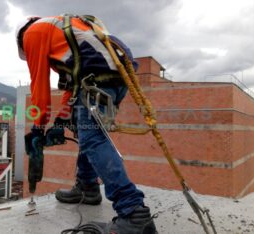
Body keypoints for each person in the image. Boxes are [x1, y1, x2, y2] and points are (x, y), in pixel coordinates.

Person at [16, 15, 157, 233]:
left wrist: (38, 127)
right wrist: (63, 118)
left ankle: (133, 212)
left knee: (93, 140)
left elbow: (39, 85)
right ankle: (87, 187)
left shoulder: (32, 34)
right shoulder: (61, 30)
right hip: (115, 75)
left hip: (98, 75)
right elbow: (71, 85)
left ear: (21, 41)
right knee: (87, 133)